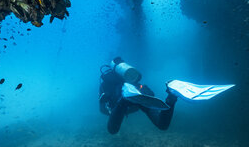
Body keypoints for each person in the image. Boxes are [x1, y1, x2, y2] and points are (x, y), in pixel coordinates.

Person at [99, 57, 234, 134]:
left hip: (125, 102)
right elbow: (150, 94)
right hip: (138, 95)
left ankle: (124, 100)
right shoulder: (125, 80)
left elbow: (103, 110)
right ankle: (172, 95)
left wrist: (113, 105)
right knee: (162, 124)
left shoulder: (106, 84)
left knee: (112, 130)